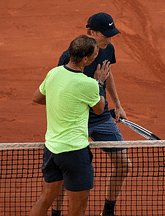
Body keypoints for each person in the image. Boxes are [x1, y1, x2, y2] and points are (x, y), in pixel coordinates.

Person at [51, 12, 132, 216]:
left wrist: (118, 105)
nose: (109, 39)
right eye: (105, 34)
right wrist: (95, 83)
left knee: (123, 164)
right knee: (65, 173)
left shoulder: (108, 49)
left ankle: (108, 211)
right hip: (77, 119)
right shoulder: (68, 56)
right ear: (92, 33)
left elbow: (108, 73)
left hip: (102, 116)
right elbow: (60, 85)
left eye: (111, 34)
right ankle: (56, 213)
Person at [30, 35, 110, 216]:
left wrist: (60, 102)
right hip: (74, 153)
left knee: (45, 199)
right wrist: (99, 82)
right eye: (95, 54)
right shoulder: (88, 84)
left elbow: (37, 97)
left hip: (51, 150)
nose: (97, 56)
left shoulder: (54, 73)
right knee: (77, 209)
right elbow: (99, 109)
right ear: (85, 59)